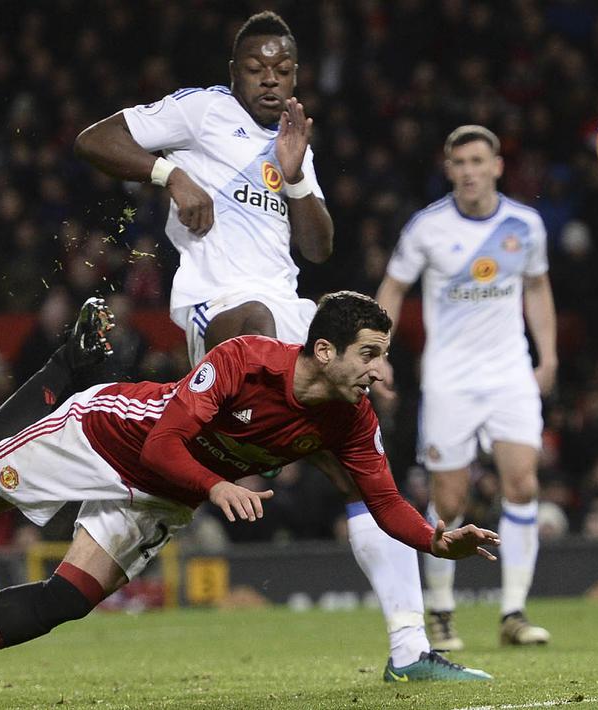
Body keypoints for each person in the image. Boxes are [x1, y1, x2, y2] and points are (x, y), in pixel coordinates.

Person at [0, 292, 497, 698]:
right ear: (324, 350)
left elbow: (383, 502)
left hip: (162, 496)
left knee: (65, 602)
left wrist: (437, 541)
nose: (378, 370)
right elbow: (162, 446)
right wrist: (215, 485)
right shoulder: (247, 360)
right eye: (368, 354)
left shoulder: (353, 418)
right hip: (111, 435)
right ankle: (62, 369)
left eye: (382, 355)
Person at [74, 11, 443, 679]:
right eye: (255, 69)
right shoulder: (199, 111)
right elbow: (93, 140)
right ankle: (243, 444)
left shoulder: (291, 139)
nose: (269, 81)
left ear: (296, 76)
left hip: (290, 301)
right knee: (254, 329)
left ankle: (410, 647)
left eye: (281, 71)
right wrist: (168, 178)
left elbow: (319, 246)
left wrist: (296, 174)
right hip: (213, 301)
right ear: (233, 73)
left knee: (364, 459)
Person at [376, 125, 557, 650]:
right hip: (450, 379)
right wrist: (377, 351)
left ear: (497, 166)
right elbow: (393, 286)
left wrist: (548, 356)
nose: (470, 171)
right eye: (460, 163)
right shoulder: (427, 228)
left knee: (522, 483)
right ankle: (441, 610)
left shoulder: (525, 225)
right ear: (449, 169)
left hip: (509, 373)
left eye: (479, 161)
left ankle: (514, 613)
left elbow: (538, 287)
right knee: (450, 500)